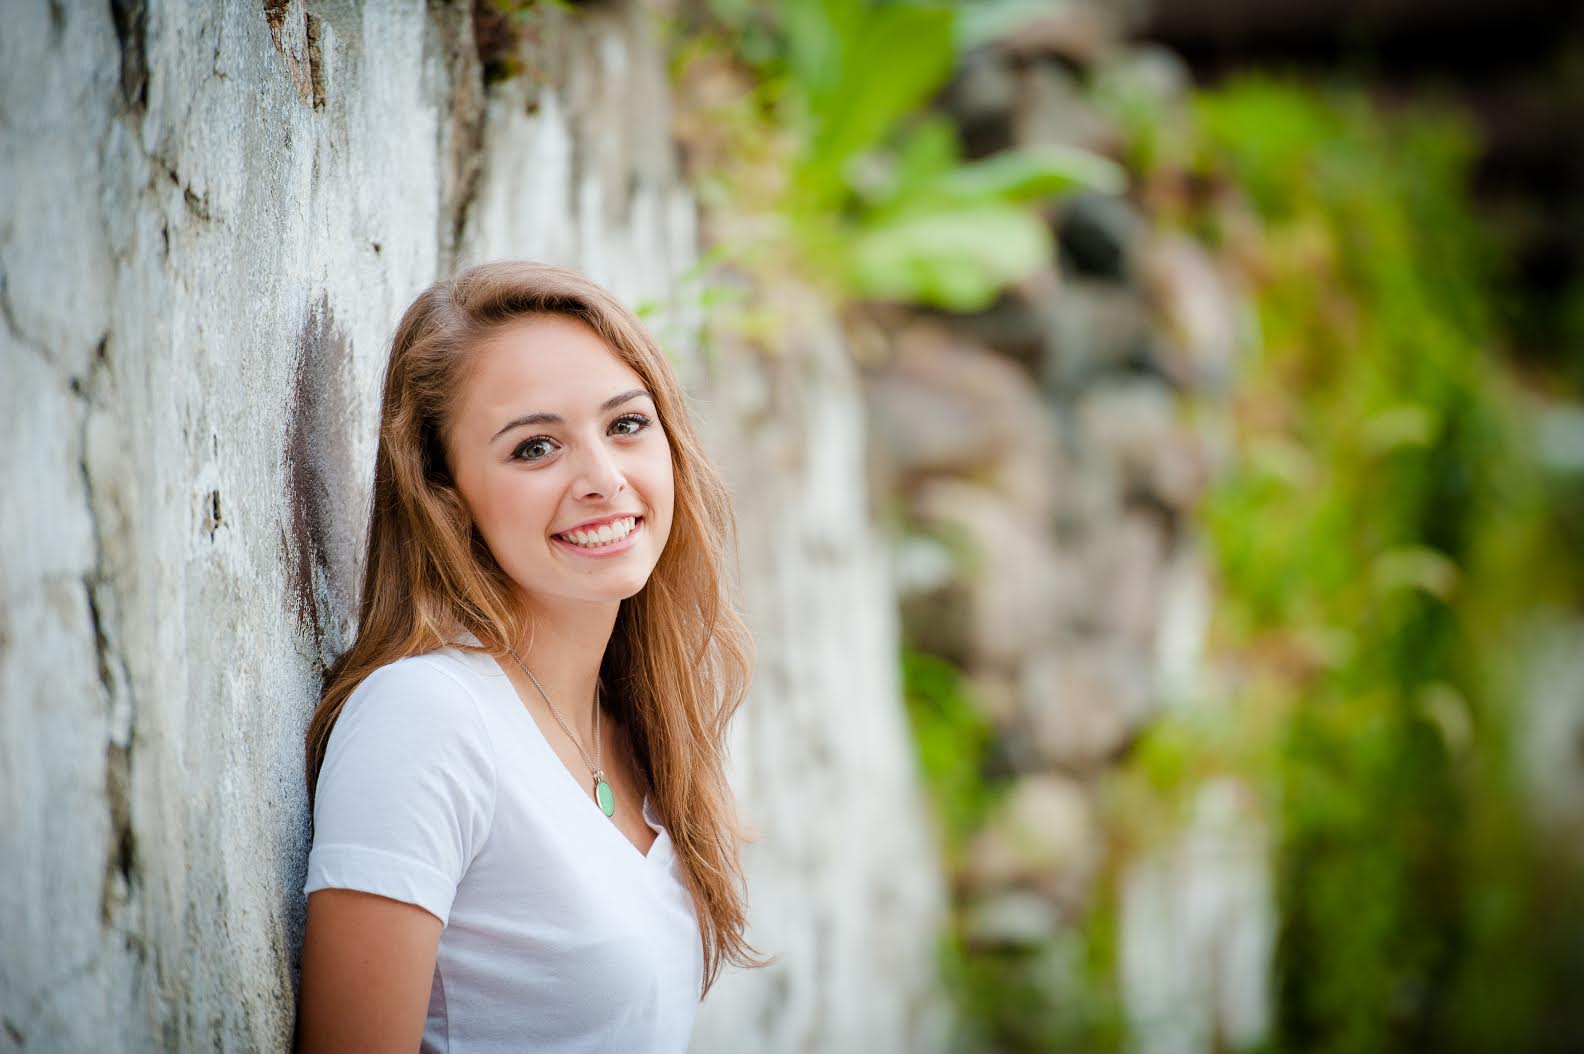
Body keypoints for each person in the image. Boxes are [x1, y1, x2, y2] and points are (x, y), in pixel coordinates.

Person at [294, 261, 768, 1053]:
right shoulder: (426, 717)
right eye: (536, 447)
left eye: (626, 424)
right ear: (444, 495)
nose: (604, 480)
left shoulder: (635, 723)